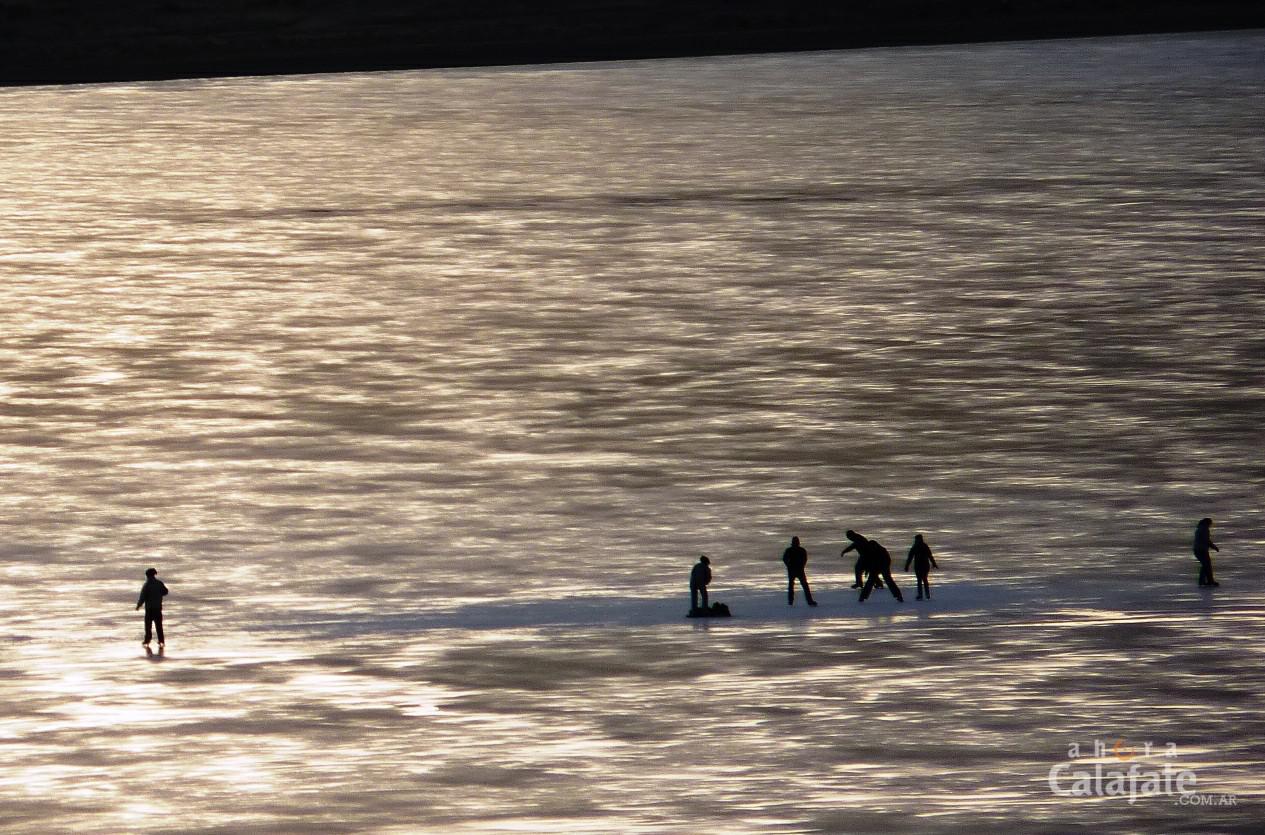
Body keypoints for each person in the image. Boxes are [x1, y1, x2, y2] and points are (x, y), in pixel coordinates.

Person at [858, 538, 903, 603]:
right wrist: (868, 569)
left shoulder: (881, 551)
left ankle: (898, 596)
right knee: (871, 582)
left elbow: (887, 560)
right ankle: (862, 597)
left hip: (882, 566)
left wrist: (883, 568)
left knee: (887, 581)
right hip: (876, 567)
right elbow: (869, 561)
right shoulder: (872, 551)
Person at [136, 567, 169, 646]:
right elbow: (165, 591)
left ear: (148, 575)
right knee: (159, 626)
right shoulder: (159, 583)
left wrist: (138, 605)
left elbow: (143, 597)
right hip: (158, 608)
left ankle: (147, 640)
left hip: (150, 609)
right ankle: (161, 640)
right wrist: (158, 594)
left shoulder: (147, 585)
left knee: (148, 626)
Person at [782, 536, 817, 606]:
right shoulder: (801, 550)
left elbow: (785, 559)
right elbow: (804, 559)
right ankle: (809, 601)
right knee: (804, 586)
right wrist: (800, 566)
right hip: (798, 570)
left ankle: (790, 602)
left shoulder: (790, 550)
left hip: (794, 570)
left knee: (792, 586)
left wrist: (788, 565)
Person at [904, 534, 938, 600]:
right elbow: (930, 556)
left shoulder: (916, 547)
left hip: (921, 565)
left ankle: (922, 595)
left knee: (921, 580)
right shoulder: (923, 546)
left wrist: (907, 566)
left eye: (917, 539)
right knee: (923, 579)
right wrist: (934, 563)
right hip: (922, 565)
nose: (916, 540)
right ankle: (925, 594)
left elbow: (910, 557)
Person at [1193, 518, 1220, 587]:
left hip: (1198, 549)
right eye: (1210, 523)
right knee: (1206, 565)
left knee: (1206, 565)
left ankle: (1207, 581)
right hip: (1201, 550)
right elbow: (1207, 540)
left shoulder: (1200, 528)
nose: (1210, 525)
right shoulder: (1204, 529)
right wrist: (1214, 547)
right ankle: (1206, 581)